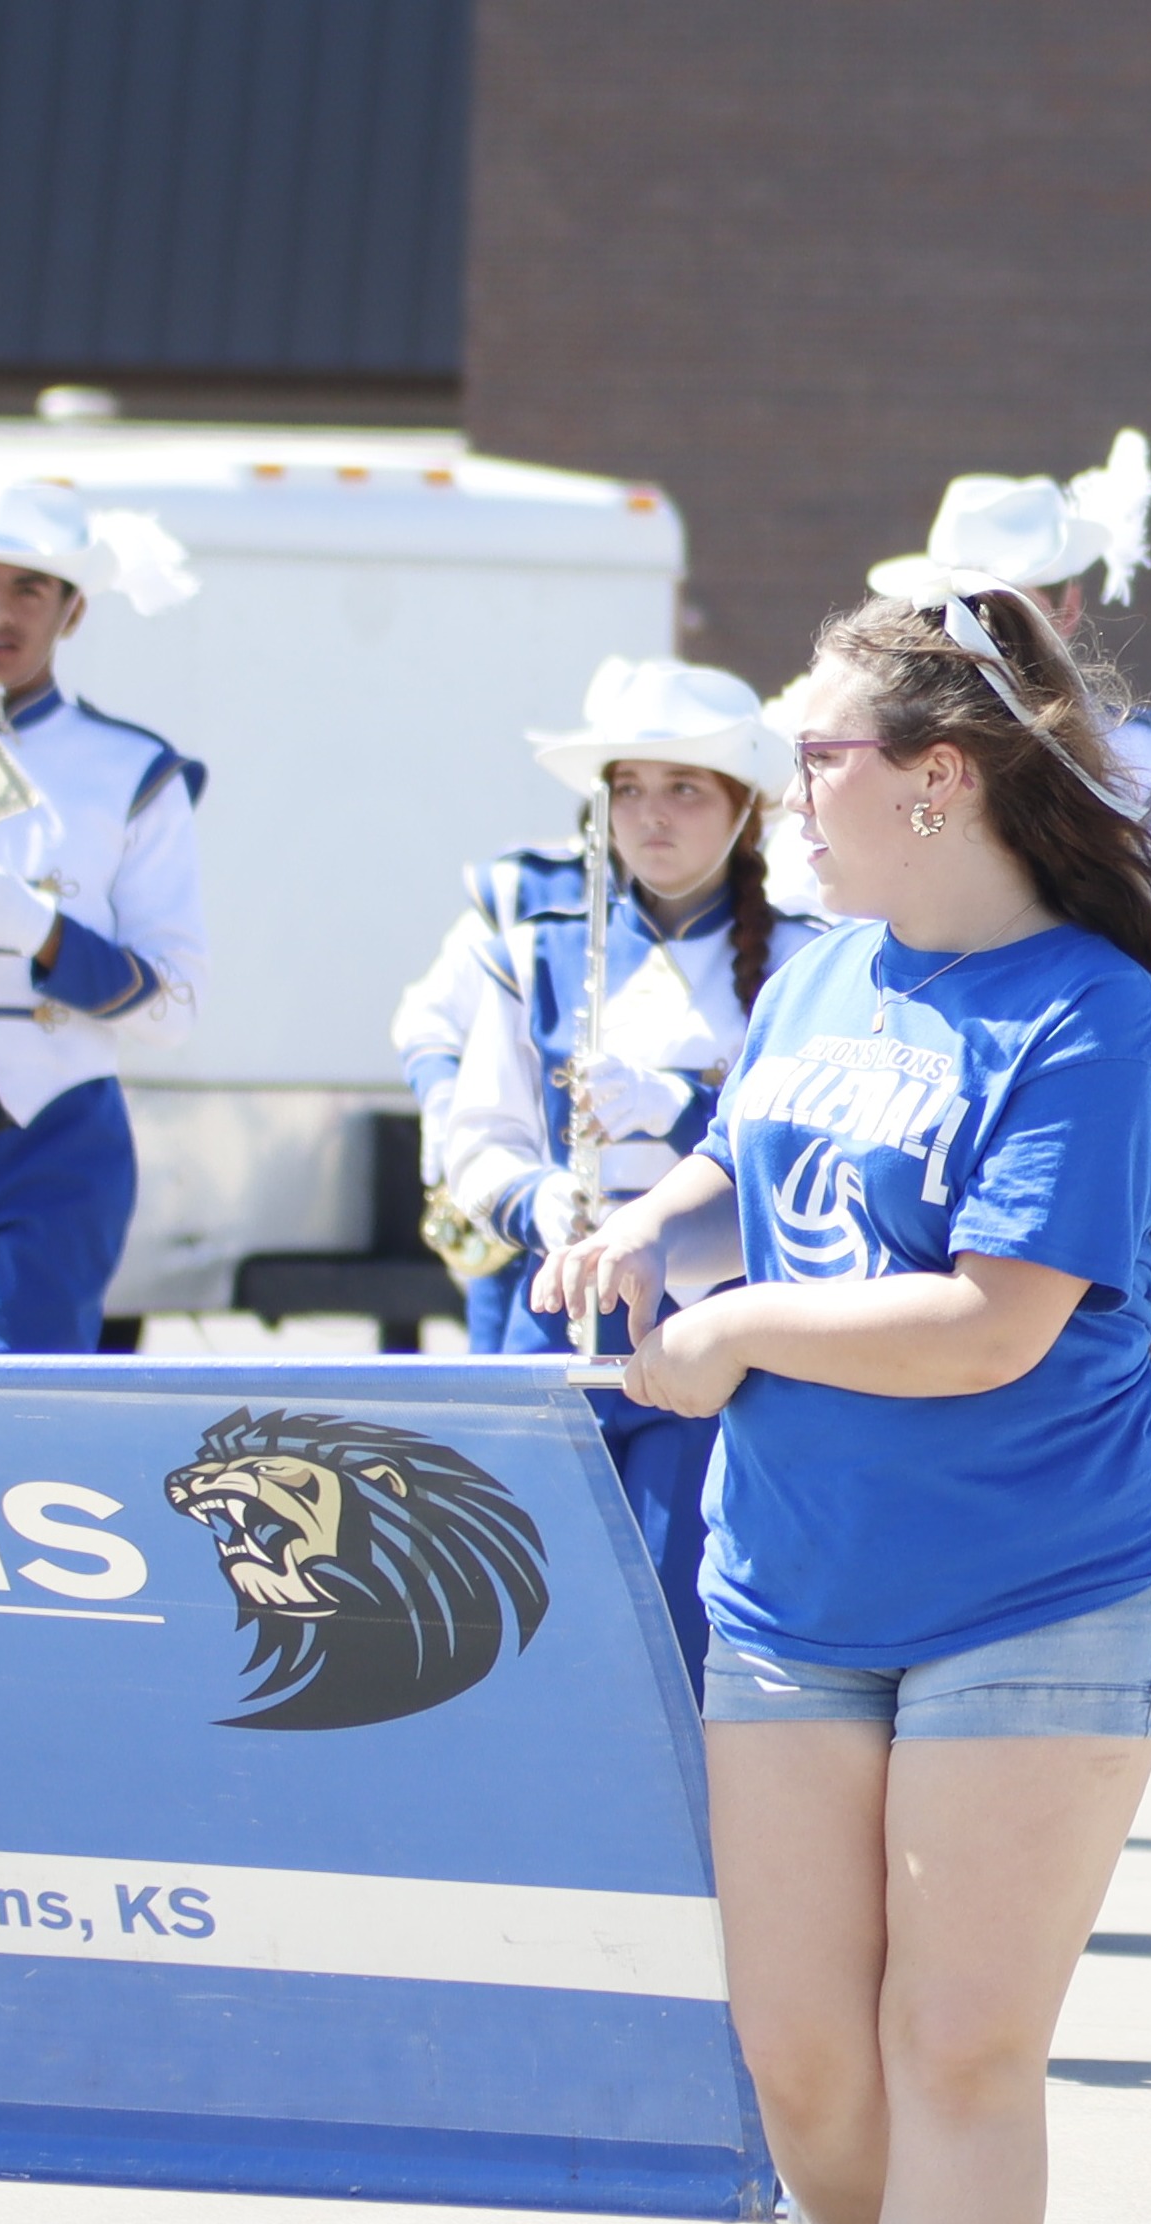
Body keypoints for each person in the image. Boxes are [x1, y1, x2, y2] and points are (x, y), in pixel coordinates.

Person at [533, 589, 1151, 2224]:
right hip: (793, 1583)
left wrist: (743, 1321)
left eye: (813, 755)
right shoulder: (826, 971)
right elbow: (743, 1155)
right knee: (798, 2055)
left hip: (1042, 1585)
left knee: (954, 2040)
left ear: (941, 782)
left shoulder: (1091, 1016)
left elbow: (995, 1320)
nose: (785, 789)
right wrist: (655, 1220)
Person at [420, 659, 813, 1664]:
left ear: (745, 807)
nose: (651, 815)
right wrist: (538, 1197)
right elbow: (479, 1134)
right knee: (523, 1621)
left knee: (678, 1622)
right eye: (628, 788)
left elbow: (815, 1148)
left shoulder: (814, 959)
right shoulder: (538, 943)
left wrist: (683, 1108)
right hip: (552, 1316)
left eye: (684, 786)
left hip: (719, 1329)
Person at [0, 484, 204, 1354]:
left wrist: (41, 930)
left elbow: (176, 1010)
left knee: (20, 1412)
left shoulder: (135, 770)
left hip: (60, 1131)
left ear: (74, 609)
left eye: (30, 589)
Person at [867, 433, 1151, 1003]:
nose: (976, 631)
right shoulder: (872, 746)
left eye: (1004, 607)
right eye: (955, 608)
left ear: (1068, 609)